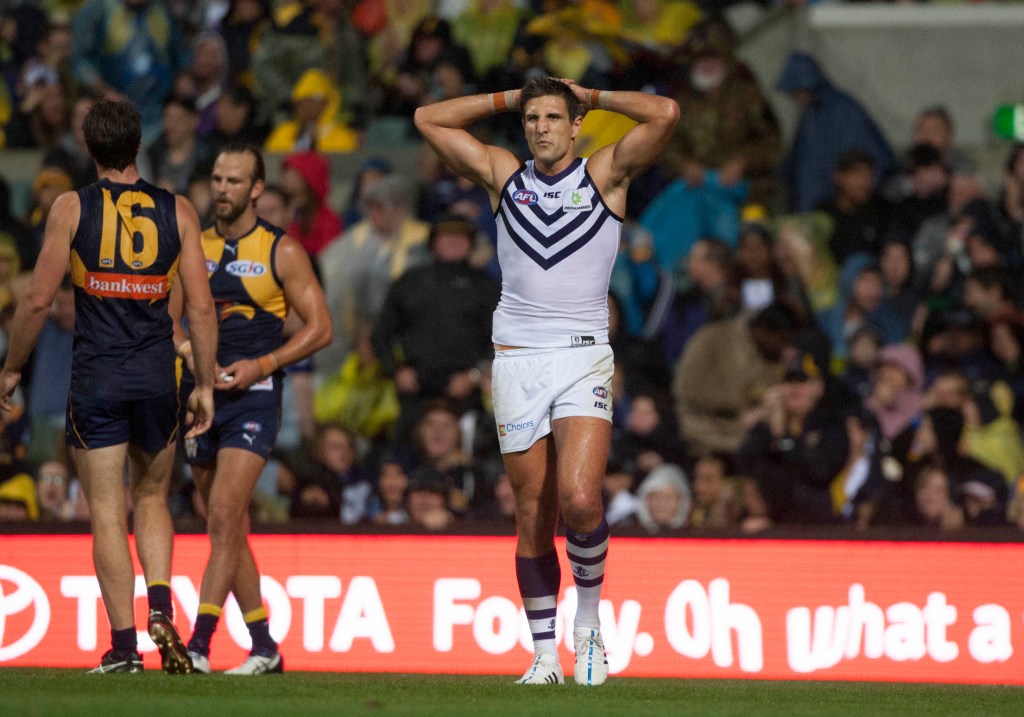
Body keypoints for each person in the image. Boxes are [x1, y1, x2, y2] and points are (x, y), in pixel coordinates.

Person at [415, 76, 679, 685]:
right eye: (532, 118)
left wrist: (593, 94)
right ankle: (543, 655)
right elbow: (429, 119)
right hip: (515, 360)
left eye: (553, 117)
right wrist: (505, 99)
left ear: (575, 124)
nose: (540, 127)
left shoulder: (605, 174)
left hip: (582, 355)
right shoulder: (506, 177)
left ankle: (588, 627)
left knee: (582, 498)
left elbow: (665, 112)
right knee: (533, 511)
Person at [0, 100, 217, 674]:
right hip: (156, 378)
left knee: (105, 510)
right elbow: (199, 306)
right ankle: (163, 607)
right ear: (138, 146)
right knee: (151, 498)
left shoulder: (72, 207)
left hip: (97, 377)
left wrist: (11, 367)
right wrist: (206, 387)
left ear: (89, 150)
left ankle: (124, 649)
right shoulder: (179, 210)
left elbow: (38, 300)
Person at [168, 142, 332, 676]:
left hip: (254, 397)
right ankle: (264, 645)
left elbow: (321, 328)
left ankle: (197, 645)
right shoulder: (194, 246)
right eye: (217, 178)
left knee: (221, 517)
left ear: (257, 190)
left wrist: (264, 364)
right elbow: (169, 321)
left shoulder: (280, 250)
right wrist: (192, 351)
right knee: (227, 526)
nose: (222, 188)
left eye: (235, 181)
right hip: (199, 398)